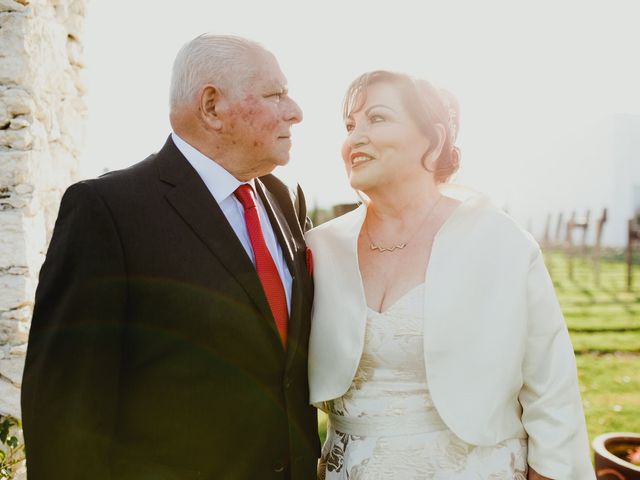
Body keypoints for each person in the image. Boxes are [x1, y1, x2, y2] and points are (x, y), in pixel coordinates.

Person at [21, 34, 319, 480]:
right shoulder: (108, 210)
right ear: (212, 107)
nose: (295, 111)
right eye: (275, 95)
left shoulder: (283, 198)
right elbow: (66, 407)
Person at [306, 70, 595, 479]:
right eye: (350, 126)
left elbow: (551, 388)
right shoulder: (320, 247)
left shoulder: (499, 240)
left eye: (378, 118)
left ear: (434, 138)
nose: (356, 137)